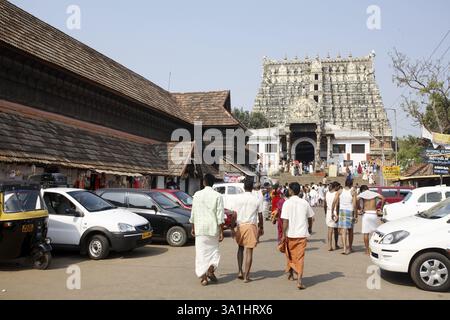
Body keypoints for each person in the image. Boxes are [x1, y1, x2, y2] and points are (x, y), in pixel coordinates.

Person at [189, 174, 225, 286]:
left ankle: (204, 278)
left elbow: (193, 213)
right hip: (213, 229)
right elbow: (220, 216)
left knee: (201, 254)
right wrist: (222, 231)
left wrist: (193, 228)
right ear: (213, 183)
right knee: (214, 252)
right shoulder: (218, 196)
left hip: (200, 229)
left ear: (204, 182)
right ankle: (210, 270)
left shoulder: (197, 195)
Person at [229, 178, 264, 283]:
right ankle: (246, 276)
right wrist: (261, 227)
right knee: (249, 251)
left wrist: (231, 227)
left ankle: (240, 271)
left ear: (244, 187)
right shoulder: (256, 200)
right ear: (252, 188)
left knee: (240, 248)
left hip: (240, 226)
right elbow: (260, 215)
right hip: (251, 226)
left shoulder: (238, 199)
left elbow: (234, 214)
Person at [281, 182, 314, 290]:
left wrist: (283, 234)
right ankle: (298, 279)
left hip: (290, 234)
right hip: (301, 234)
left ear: (290, 191)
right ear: (299, 191)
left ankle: (292, 274)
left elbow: (285, 221)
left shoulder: (287, 203)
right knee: (300, 257)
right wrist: (310, 228)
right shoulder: (304, 203)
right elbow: (310, 217)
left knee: (290, 255)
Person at [357, 185, 385, 255]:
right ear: (368, 189)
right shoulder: (374, 193)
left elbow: (355, 200)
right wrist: (381, 208)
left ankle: (367, 250)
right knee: (376, 233)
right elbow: (383, 198)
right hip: (374, 214)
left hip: (366, 214)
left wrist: (359, 208)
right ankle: (376, 249)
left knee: (366, 233)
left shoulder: (362, 194)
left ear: (362, 190)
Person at [332, 179, 357, 255]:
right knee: (350, 231)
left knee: (343, 231)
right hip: (350, 212)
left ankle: (344, 249)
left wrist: (332, 212)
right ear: (351, 184)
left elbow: (334, 202)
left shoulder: (340, 191)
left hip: (342, 212)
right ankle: (350, 247)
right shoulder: (353, 192)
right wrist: (355, 215)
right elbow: (354, 205)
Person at [324, 182, 340, 251]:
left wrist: (325, 212)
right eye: (338, 187)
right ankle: (335, 244)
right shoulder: (336, 194)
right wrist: (338, 214)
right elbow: (338, 204)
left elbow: (324, 204)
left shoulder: (327, 193)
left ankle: (329, 245)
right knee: (336, 230)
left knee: (330, 229)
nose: (339, 188)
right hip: (335, 211)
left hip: (328, 211)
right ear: (335, 187)